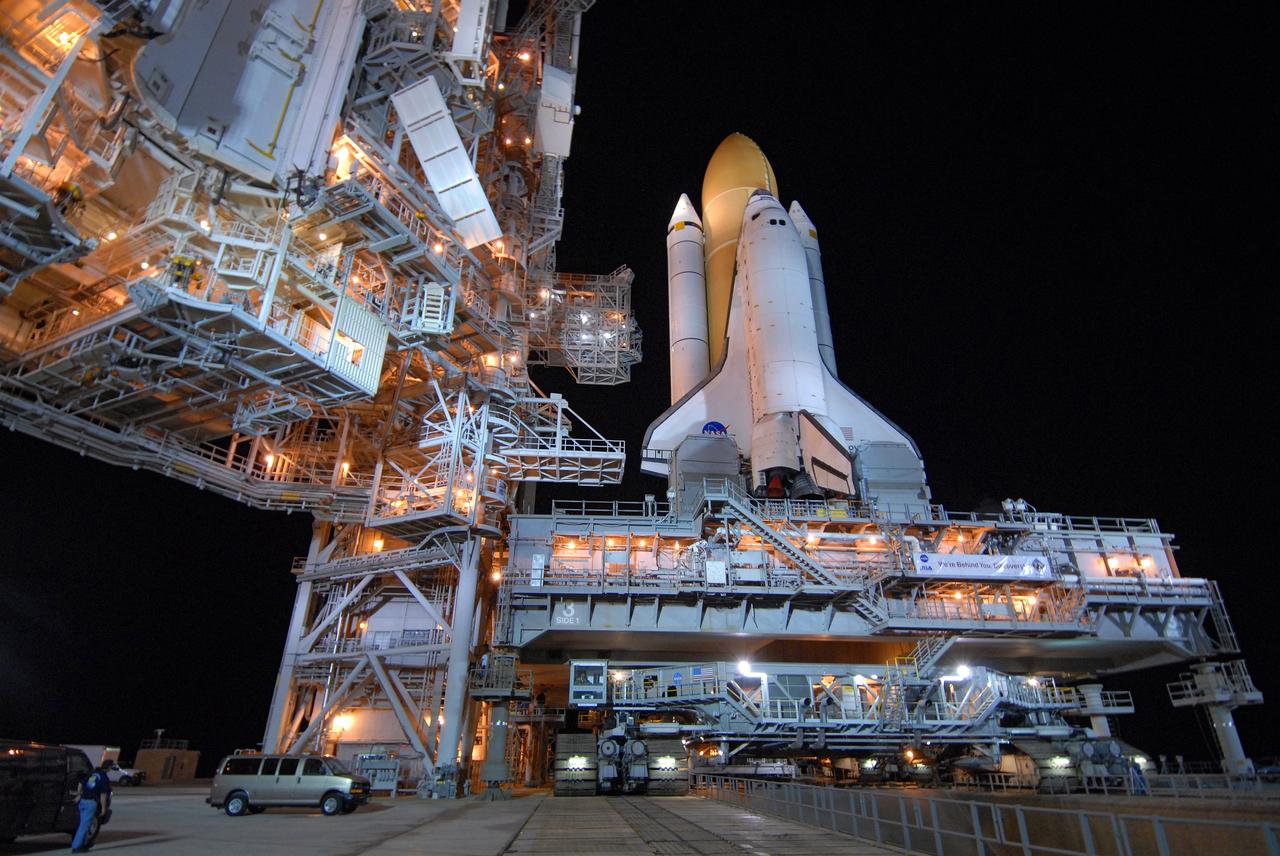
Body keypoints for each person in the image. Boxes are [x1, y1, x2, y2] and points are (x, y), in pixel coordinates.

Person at [71, 761, 111, 853]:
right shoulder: (104, 778)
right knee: (84, 826)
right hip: (91, 803)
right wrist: (104, 808)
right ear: (108, 768)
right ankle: (76, 847)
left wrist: (78, 795)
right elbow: (103, 795)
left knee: (85, 824)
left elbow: (81, 783)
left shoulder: (92, 773)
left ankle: (84, 844)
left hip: (83, 802)